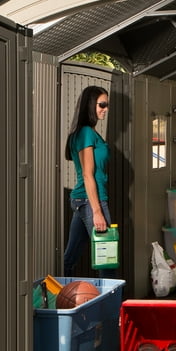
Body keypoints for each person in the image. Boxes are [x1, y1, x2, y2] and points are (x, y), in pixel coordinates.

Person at [63, 85, 112, 276]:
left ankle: (61, 297)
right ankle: (111, 306)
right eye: (102, 104)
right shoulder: (85, 133)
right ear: (90, 105)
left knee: (70, 258)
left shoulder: (88, 132)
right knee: (108, 259)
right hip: (90, 201)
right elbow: (87, 174)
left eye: (106, 105)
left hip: (83, 200)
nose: (105, 109)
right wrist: (97, 211)